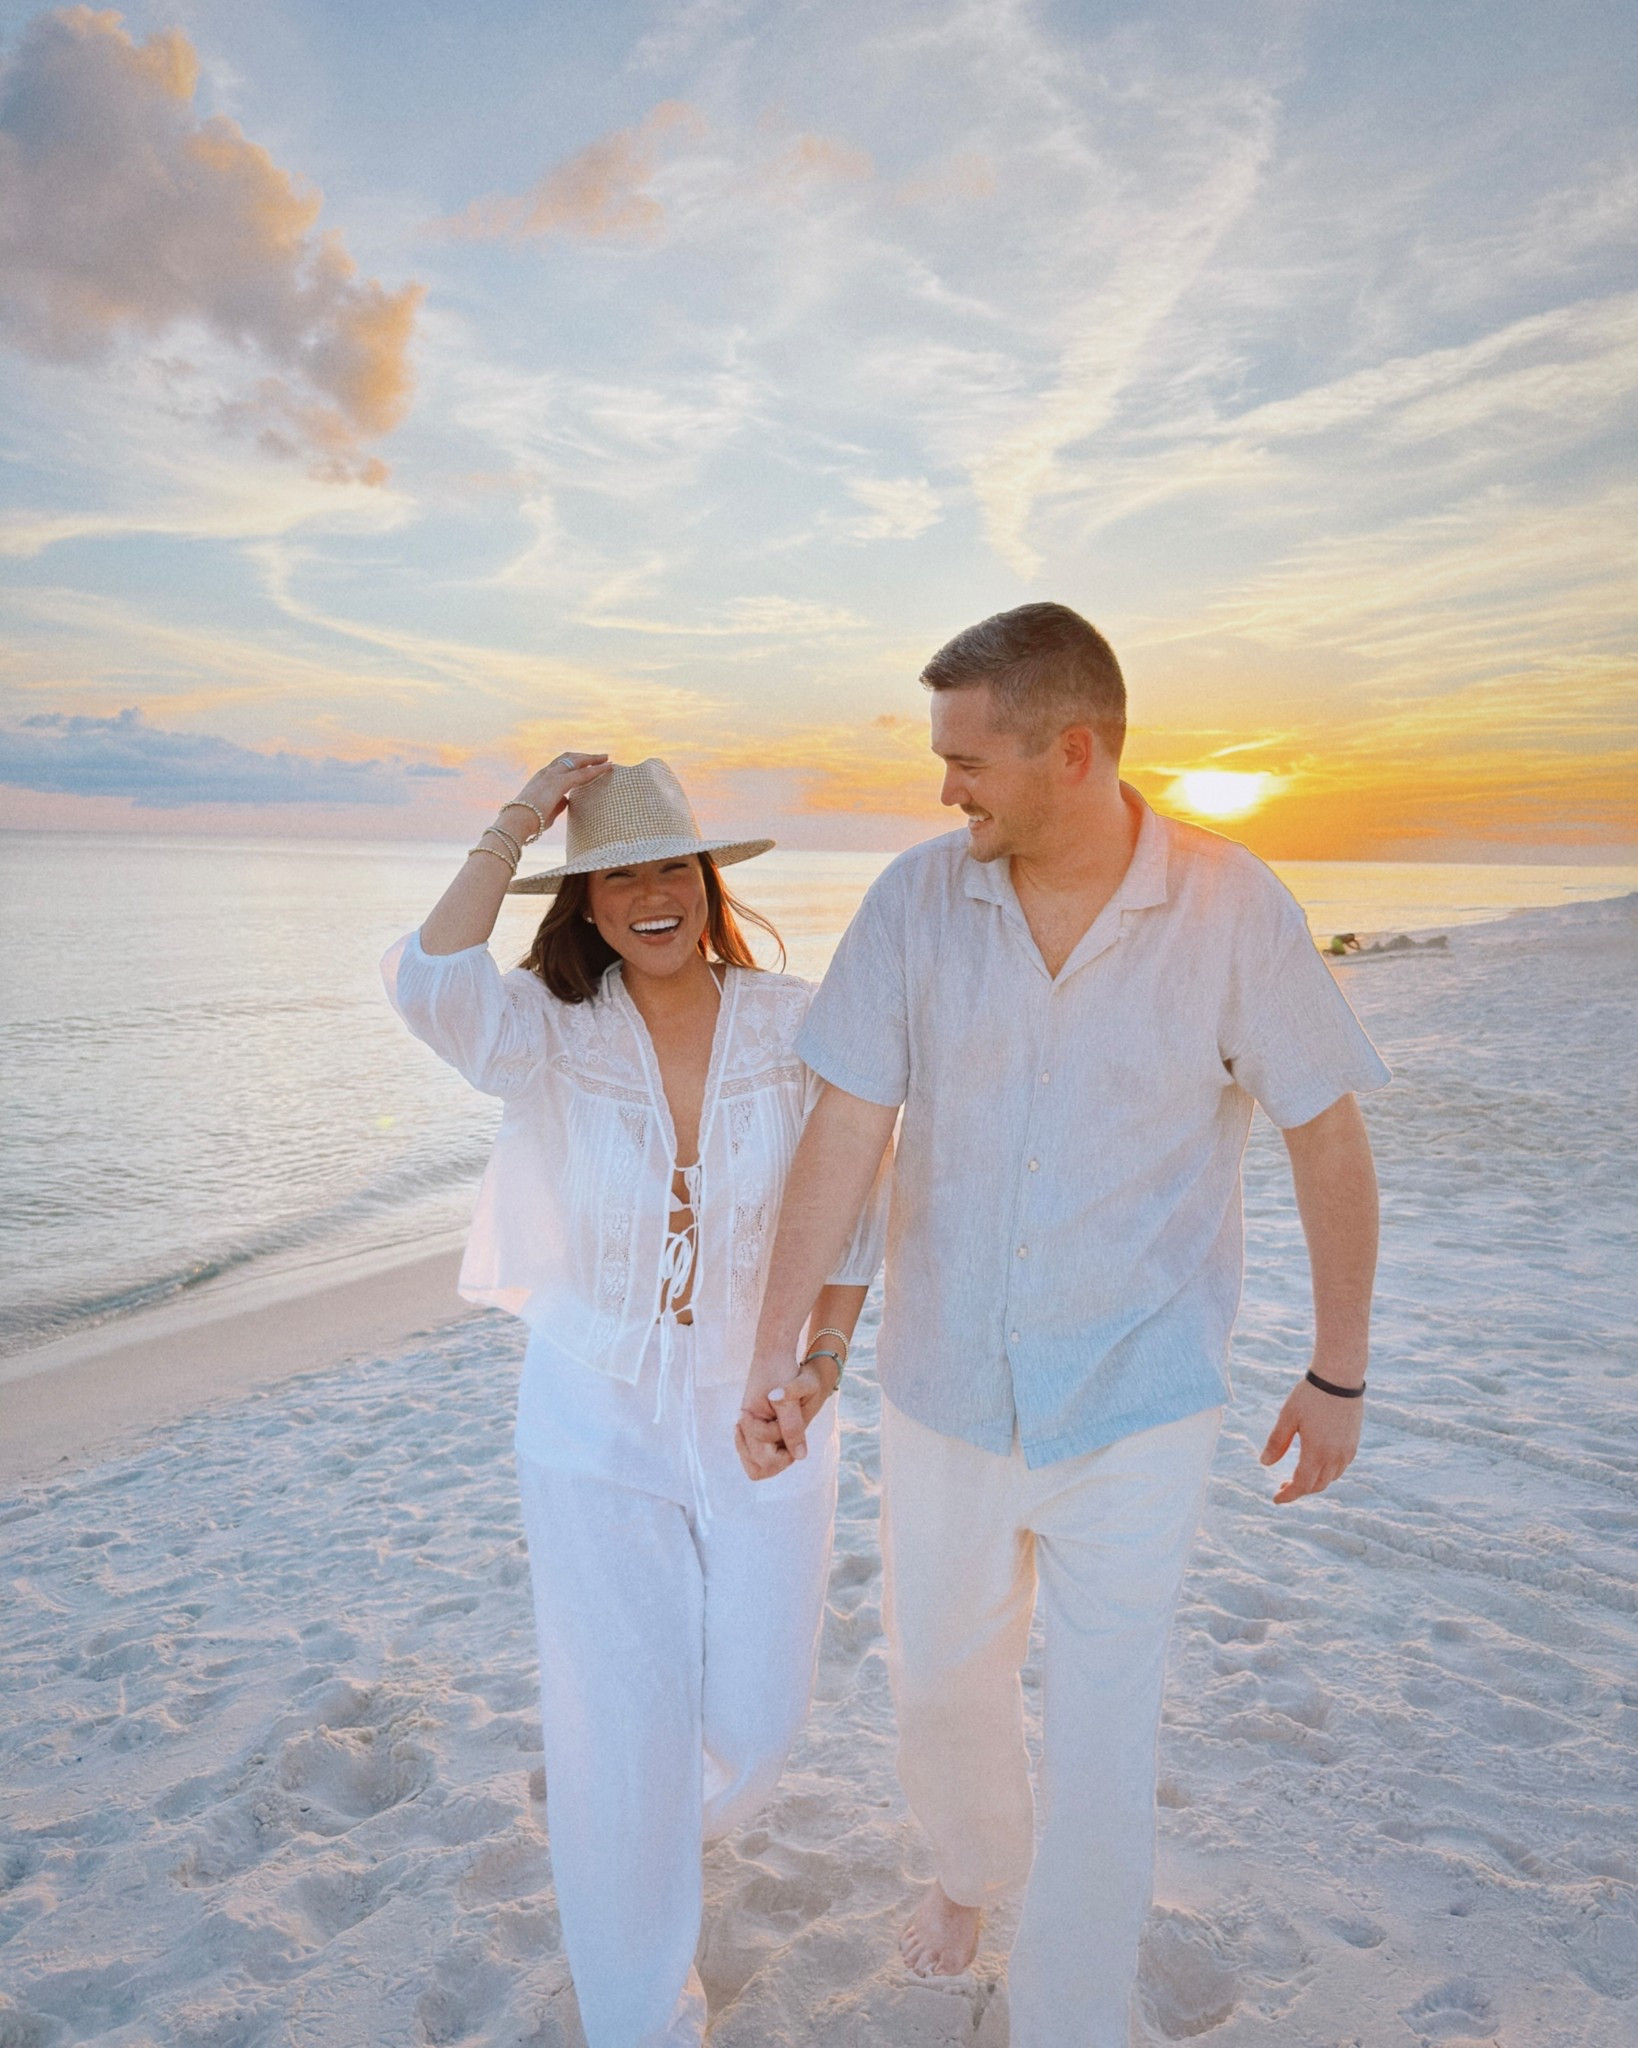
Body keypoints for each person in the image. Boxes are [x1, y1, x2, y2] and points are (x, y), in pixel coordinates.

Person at [736, 604, 1389, 2048]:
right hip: (944, 1388)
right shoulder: (915, 902)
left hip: (1139, 1398)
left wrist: (1336, 1371)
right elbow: (845, 1129)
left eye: (967, 760)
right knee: (938, 1686)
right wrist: (778, 1350)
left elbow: (1325, 1135)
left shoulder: (1231, 907)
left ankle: (1067, 2016)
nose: (944, 788)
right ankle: (972, 1870)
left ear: (1072, 752)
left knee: (1104, 1729)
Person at [383, 754, 886, 2048]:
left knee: (759, 1720)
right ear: (586, 903)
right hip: (590, 1417)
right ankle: (639, 2007)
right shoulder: (544, 1031)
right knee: (616, 1727)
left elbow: (855, 1215)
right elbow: (428, 978)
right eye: (617, 876)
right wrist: (517, 820)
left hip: (764, 1410)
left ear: (707, 882)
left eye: (672, 866)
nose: (651, 894)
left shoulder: (801, 1021)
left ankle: (643, 1837)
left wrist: (820, 1371)